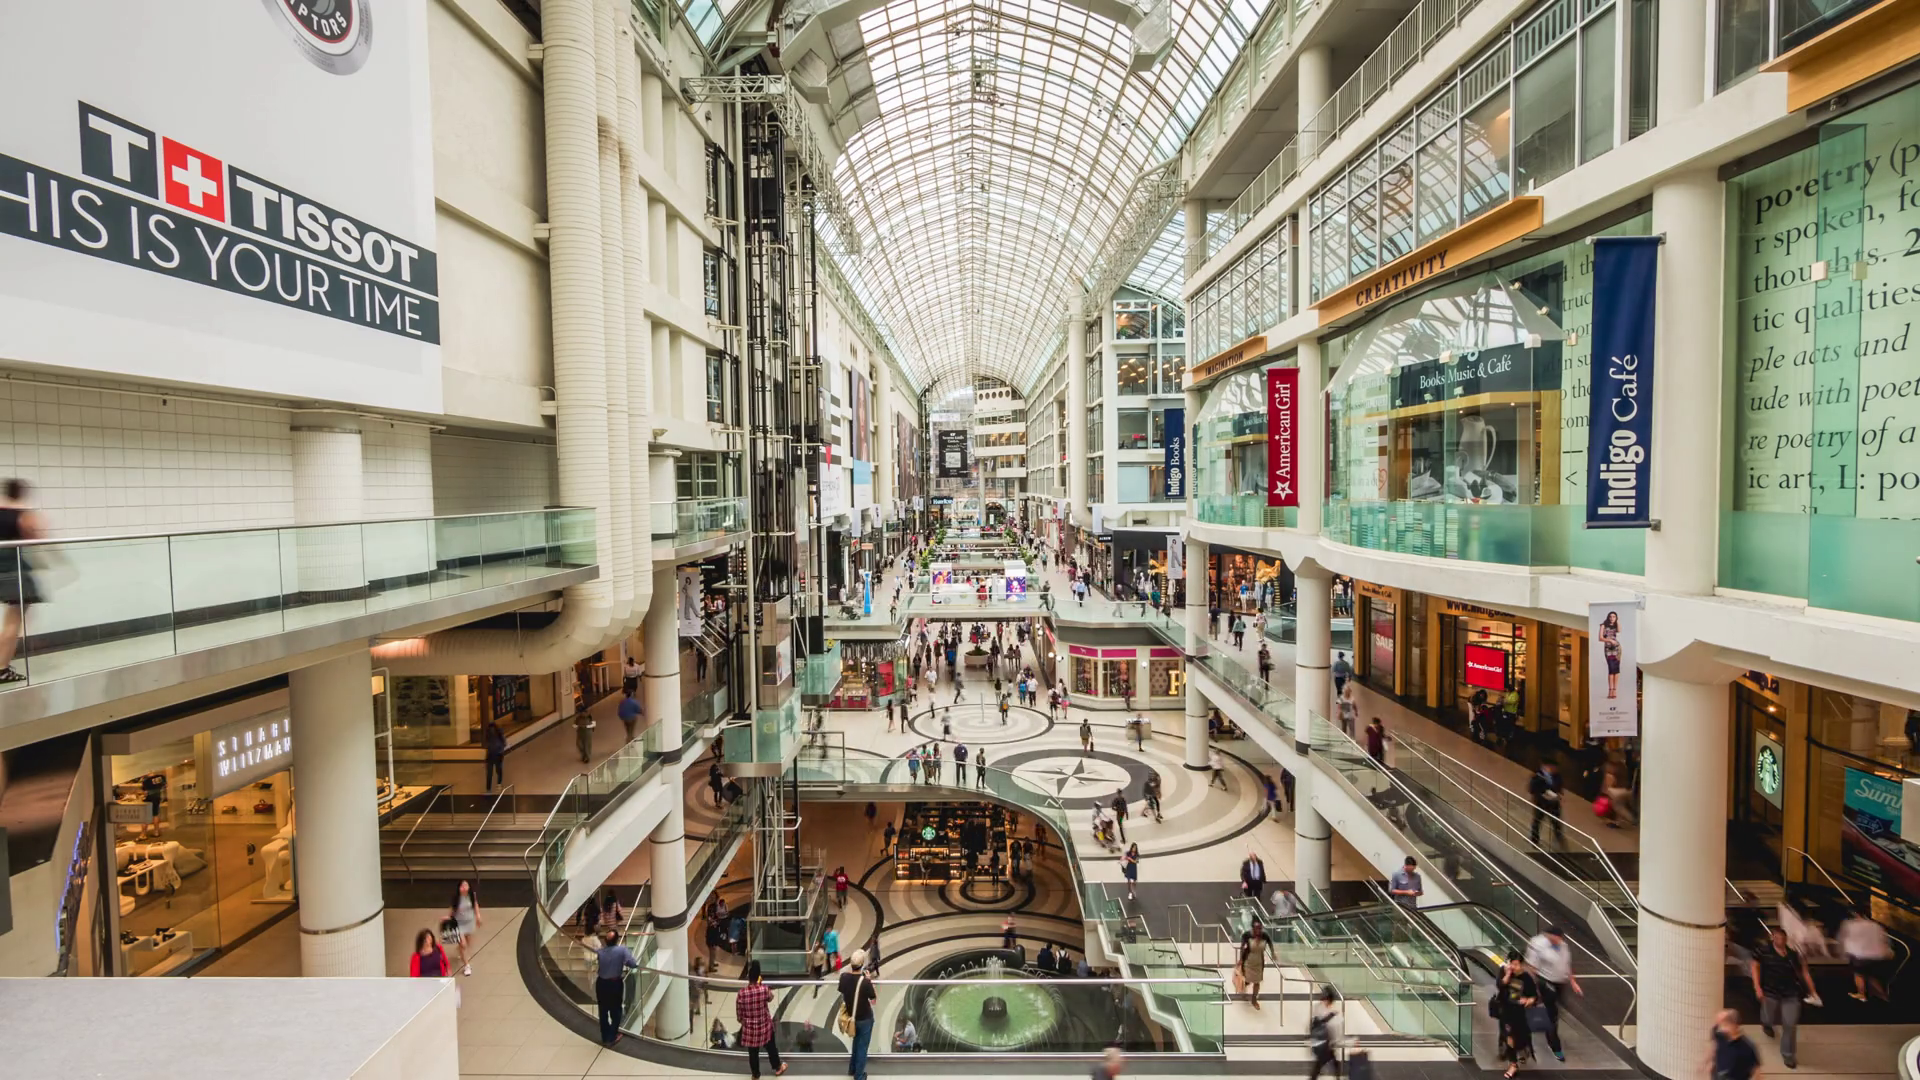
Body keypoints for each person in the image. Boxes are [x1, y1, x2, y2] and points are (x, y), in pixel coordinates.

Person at [0, 479, 46, 685]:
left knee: (11, 621)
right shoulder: (24, 514)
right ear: (21, 493)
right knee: (13, 622)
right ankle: (2, 669)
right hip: (15, 569)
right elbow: (36, 538)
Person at [1751, 927, 1816, 1068]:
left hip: (1791, 994)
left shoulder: (1793, 955)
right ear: (1772, 938)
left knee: (1790, 1025)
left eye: (1783, 938)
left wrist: (1812, 991)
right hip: (1770, 992)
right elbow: (1754, 965)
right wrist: (1757, 987)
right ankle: (1766, 1023)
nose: (1780, 940)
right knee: (1768, 1016)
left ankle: (1788, 1055)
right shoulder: (1763, 951)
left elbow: (1804, 973)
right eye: (1777, 937)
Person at [1525, 927, 1580, 1062]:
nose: (1559, 940)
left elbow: (1566, 964)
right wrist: (1534, 987)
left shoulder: (1563, 946)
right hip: (1546, 981)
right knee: (1552, 1014)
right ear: (1549, 936)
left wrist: (1573, 981)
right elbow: (1531, 967)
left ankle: (1534, 1023)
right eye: (1555, 938)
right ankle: (1555, 1045)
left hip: (1560, 982)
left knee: (1552, 1010)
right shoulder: (1538, 944)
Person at [735, 960, 788, 1078]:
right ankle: (778, 1067)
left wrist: (746, 1021)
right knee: (771, 1047)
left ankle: (755, 1074)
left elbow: (739, 1016)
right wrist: (761, 985)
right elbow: (771, 998)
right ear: (758, 976)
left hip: (750, 1030)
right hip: (765, 1027)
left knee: (753, 1053)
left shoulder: (741, 993)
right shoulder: (763, 989)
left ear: (748, 977)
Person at [593, 927, 640, 1045]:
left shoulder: (600, 952)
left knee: (603, 1011)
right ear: (616, 940)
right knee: (616, 1010)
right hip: (614, 984)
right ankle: (612, 1036)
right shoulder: (622, 950)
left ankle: (605, 1036)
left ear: (605, 940)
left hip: (601, 983)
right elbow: (633, 964)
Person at [1495, 955, 1539, 1078]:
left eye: (1516, 964)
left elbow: (1533, 996)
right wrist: (1508, 974)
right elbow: (1500, 985)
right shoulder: (1504, 972)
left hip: (1520, 1013)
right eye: (1511, 963)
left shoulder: (1526, 978)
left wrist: (1529, 1001)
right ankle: (1513, 1064)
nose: (1513, 967)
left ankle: (1523, 1047)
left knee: (1520, 1037)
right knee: (1509, 1037)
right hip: (1506, 1011)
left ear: (1521, 964)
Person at [839, 950, 877, 1080]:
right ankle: (859, 1076)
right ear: (862, 965)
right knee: (862, 1047)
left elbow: (843, 993)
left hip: (852, 1017)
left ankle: (852, 1069)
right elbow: (873, 999)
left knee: (856, 1043)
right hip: (865, 1018)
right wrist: (869, 980)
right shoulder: (865, 983)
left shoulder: (843, 978)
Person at [1839, 909, 1892, 1001]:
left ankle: (1861, 994)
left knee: (1859, 973)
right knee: (1870, 975)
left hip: (1862, 955)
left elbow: (1845, 939)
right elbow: (1884, 940)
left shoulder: (1852, 925)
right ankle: (1882, 996)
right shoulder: (1875, 925)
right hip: (1877, 955)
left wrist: (1844, 951)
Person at [1709, 1009, 1763, 1080]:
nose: (1723, 1029)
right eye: (1723, 1025)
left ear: (1735, 1025)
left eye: (1726, 1025)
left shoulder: (1747, 1046)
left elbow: (1757, 1071)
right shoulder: (1720, 1037)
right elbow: (1713, 1048)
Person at [1308, 987, 1345, 1080]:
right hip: (1325, 1043)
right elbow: (1335, 1029)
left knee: (1325, 1062)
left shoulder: (1318, 1007)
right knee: (1323, 1063)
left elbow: (1313, 1023)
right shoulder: (1333, 1013)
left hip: (1321, 1042)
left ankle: (1337, 1076)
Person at [1528, 762, 1565, 847]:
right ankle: (1534, 840)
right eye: (1551, 767)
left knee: (1556, 823)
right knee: (1537, 822)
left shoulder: (1557, 776)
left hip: (1554, 804)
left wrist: (1557, 793)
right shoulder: (1537, 776)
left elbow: (1559, 786)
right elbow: (1532, 789)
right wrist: (1543, 793)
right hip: (1541, 803)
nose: (1553, 769)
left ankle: (1559, 840)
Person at [449, 879, 481, 975]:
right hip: (459, 924)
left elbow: (475, 905)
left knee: (467, 943)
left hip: (469, 923)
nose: (464, 888)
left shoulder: (471, 895)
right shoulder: (456, 898)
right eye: (462, 886)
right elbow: (452, 911)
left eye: (466, 885)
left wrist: (478, 915)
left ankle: (461, 952)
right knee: (463, 945)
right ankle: (467, 966)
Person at [1238, 917, 1271, 1008]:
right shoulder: (1247, 935)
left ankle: (1254, 999)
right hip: (1248, 961)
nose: (1258, 930)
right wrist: (1240, 959)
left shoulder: (1264, 936)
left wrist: (1273, 953)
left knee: (1257, 982)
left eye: (1260, 928)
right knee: (1247, 980)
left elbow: (1270, 943)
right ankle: (1243, 988)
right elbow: (1242, 947)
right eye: (1256, 928)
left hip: (1259, 962)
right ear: (1253, 928)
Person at [482, 721, 508, 793]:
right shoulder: (490, 736)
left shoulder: (498, 734)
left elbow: (504, 743)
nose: (492, 731)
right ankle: (490, 787)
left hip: (496, 755)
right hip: (493, 755)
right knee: (492, 772)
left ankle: (494, 786)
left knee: (496, 770)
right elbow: (488, 746)